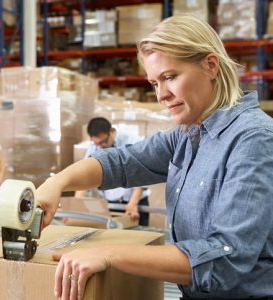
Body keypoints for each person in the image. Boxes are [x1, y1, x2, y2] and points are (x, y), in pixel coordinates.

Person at [36, 15, 273, 299]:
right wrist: (59, 182)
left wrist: (109, 254)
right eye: (154, 83)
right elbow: (122, 162)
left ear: (211, 65)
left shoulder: (254, 139)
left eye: (170, 77)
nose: (161, 94)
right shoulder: (187, 135)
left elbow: (225, 259)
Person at [75, 117, 149, 226]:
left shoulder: (132, 142)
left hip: (135, 202)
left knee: (139, 239)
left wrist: (133, 203)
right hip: (111, 203)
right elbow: (85, 175)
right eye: (97, 144)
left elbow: (142, 174)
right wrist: (76, 203)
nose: (101, 146)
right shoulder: (95, 147)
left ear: (112, 131)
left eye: (104, 142)